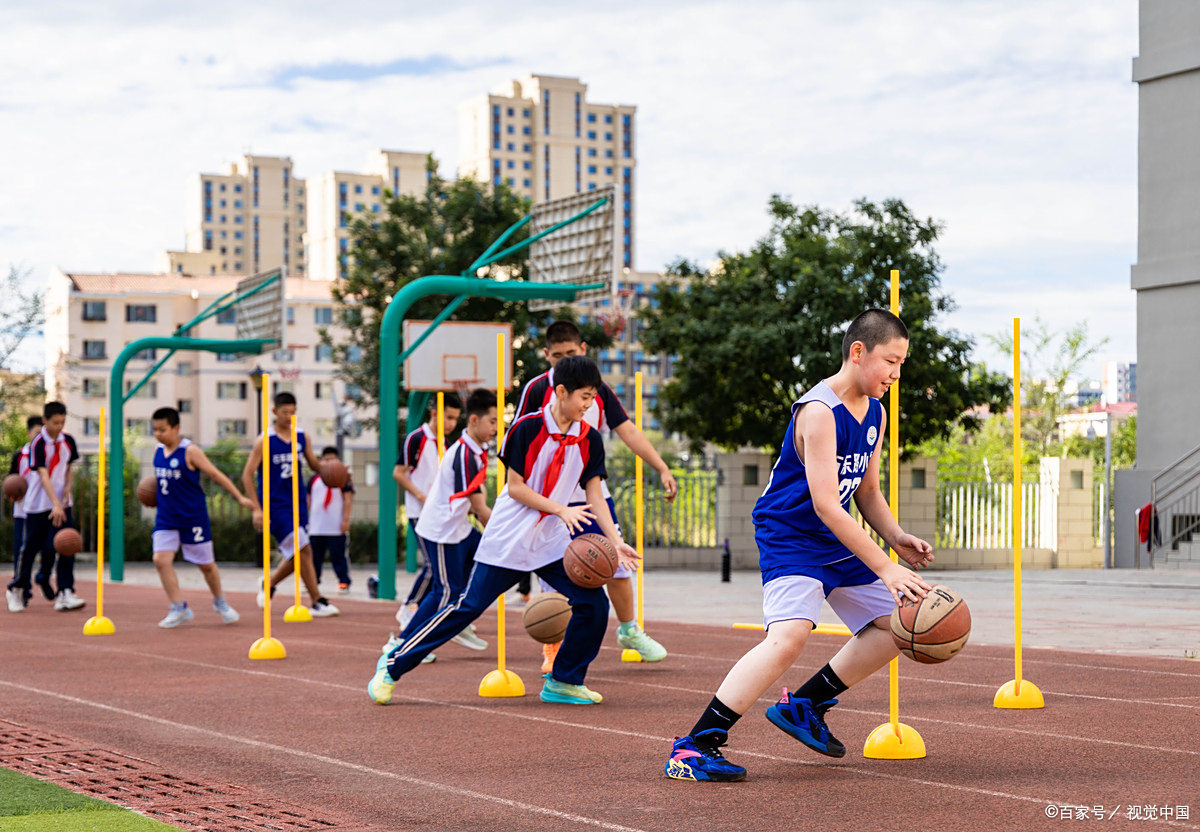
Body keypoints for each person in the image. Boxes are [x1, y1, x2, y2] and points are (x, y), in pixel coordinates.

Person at [663, 309, 935, 782]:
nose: (896, 373)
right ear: (858, 352)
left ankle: (806, 705)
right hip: (791, 535)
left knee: (899, 624)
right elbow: (829, 505)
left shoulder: (876, 412)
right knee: (789, 638)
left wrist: (896, 538)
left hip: (835, 538)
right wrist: (887, 568)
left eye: (901, 363)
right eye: (890, 361)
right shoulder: (819, 411)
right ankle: (694, 746)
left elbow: (866, 491)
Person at [369, 355, 639, 706]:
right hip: (510, 537)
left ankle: (564, 681)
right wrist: (560, 508)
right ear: (561, 392)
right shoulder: (526, 428)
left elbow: (594, 494)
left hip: (550, 542)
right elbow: (515, 487)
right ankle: (392, 665)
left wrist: (616, 542)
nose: (590, 405)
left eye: (593, 398)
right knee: (466, 607)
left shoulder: (589, 438)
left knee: (593, 604)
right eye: (585, 397)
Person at [514, 320, 677, 670]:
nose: (563, 360)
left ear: (583, 350)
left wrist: (661, 466)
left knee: (616, 563)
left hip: (592, 496)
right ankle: (553, 649)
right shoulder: (535, 389)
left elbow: (628, 430)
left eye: (570, 353)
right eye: (557, 356)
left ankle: (629, 630)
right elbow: (519, 440)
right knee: (552, 578)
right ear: (547, 356)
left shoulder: (596, 389)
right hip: (551, 501)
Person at [388, 388, 497, 655]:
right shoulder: (455, 451)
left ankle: (455, 619)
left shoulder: (470, 450)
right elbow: (479, 506)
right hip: (439, 529)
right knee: (445, 588)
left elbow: (474, 496)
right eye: (493, 421)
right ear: (474, 420)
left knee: (481, 562)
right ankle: (402, 642)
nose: (497, 427)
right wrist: (505, 532)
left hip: (457, 526)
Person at [150, 407, 255, 628]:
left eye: (162, 429)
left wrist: (239, 497)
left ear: (176, 428)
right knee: (160, 560)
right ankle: (179, 607)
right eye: (155, 430)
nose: (158, 434)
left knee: (206, 565)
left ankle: (220, 602)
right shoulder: (158, 451)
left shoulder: (190, 451)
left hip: (193, 517)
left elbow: (215, 474)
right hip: (167, 517)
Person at [241, 392, 339, 617]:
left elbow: (314, 465)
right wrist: (256, 509)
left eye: (293, 412)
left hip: (298, 503)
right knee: (304, 549)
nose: (289, 416)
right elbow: (247, 475)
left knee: (298, 555)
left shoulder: (301, 436)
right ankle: (317, 600)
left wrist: (333, 469)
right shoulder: (265, 440)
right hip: (275, 505)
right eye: (285, 412)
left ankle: (270, 582)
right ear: (275, 412)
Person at [6, 402, 85, 612]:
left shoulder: (68, 441)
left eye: (62, 422)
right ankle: (16, 588)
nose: (59, 426)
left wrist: (68, 487)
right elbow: (43, 475)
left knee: (68, 545)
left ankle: (65, 591)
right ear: (45, 421)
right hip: (39, 504)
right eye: (55, 422)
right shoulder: (38, 444)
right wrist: (55, 503)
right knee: (30, 549)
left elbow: (67, 467)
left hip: (63, 503)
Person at [392, 394, 461, 627]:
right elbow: (398, 472)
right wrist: (421, 496)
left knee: (448, 565)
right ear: (434, 414)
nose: (451, 423)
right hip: (419, 512)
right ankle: (409, 607)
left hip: (441, 513)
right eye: (448, 417)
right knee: (433, 565)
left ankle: (437, 609)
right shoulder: (417, 438)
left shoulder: (446, 445)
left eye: (455, 419)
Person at [308, 446, 355, 595]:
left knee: (338, 556)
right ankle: (313, 581)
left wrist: (345, 520)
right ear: (321, 461)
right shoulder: (314, 479)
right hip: (316, 526)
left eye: (332, 460)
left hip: (335, 526)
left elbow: (348, 500)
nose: (329, 463)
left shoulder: (343, 478)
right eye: (326, 460)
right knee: (314, 557)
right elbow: (308, 500)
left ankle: (343, 581)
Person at [7, 416, 42, 581]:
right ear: (28, 433)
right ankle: (20, 586)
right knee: (22, 550)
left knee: (47, 549)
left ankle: (44, 579)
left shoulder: (48, 455)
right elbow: (11, 481)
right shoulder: (20, 456)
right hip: (23, 511)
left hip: (43, 510)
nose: (39, 437)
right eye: (36, 433)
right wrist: (11, 494)